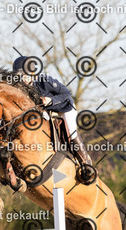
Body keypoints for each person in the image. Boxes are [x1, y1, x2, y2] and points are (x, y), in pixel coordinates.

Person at [12, 56, 94, 184]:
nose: (22, 78)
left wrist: (51, 100)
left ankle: (85, 162)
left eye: (24, 75)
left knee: (71, 131)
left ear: (32, 73)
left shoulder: (44, 81)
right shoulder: (20, 89)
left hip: (64, 107)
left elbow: (66, 93)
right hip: (46, 111)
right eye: (19, 76)